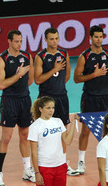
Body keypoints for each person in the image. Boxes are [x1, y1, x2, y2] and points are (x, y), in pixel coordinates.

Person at [28, 96, 78, 186]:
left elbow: (67, 141)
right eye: (48, 108)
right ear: (40, 109)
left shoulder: (58, 122)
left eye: (53, 108)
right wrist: (37, 172)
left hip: (60, 165)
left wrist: (74, 123)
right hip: (45, 167)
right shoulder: (35, 127)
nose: (51, 111)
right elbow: (34, 152)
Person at [34, 27, 79, 176]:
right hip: (46, 98)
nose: (55, 41)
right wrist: (54, 70)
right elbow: (38, 79)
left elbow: (66, 76)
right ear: (45, 40)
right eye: (51, 39)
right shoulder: (40, 56)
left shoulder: (64, 54)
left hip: (61, 97)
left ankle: (63, 163)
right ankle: (41, 164)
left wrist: (58, 84)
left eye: (57, 38)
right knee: (44, 132)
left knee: (63, 130)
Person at [0, 30, 35, 186]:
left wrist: (21, 85)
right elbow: (1, 84)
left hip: (24, 100)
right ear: (9, 41)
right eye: (16, 41)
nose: (19, 44)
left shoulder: (27, 56)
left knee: (25, 136)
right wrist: (18, 75)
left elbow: (29, 80)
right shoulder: (1, 59)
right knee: (6, 138)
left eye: (20, 41)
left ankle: (27, 170)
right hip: (9, 101)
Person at [74, 25, 108, 175]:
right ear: (90, 38)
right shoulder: (84, 56)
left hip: (105, 98)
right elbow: (77, 78)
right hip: (89, 98)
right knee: (86, 131)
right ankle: (81, 162)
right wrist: (94, 75)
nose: (99, 39)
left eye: (101, 37)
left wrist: (101, 81)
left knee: (107, 131)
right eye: (96, 37)